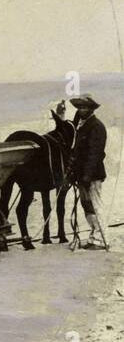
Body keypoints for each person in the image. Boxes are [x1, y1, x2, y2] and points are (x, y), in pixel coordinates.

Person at [69, 94, 109, 249]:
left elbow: (96, 154)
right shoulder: (81, 125)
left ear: (91, 109)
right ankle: (94, 238)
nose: (81, 109)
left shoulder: (96, 126)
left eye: (84, 107)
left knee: (96, 205)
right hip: (82, 175)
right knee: (87, 206)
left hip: (93, 175)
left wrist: (87, 175)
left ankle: (100, 239)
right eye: (79, 107)